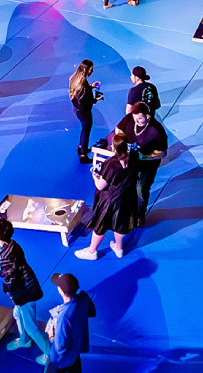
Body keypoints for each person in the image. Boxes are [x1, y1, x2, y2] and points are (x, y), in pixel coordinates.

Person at [78, 124, 143, 260]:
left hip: (110, 201)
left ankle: (92, 251)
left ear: (114, 148)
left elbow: (101, 186)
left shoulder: (111, 165)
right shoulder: (134, 157)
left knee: (100, 226)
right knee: (119, 225)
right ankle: (119, 248)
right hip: (127, 198)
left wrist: (95, 176)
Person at [0, 215, 50, 354]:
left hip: (24, 292)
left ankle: (49, 353)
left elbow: (12, 278)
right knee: (17, 314)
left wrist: (10, 292)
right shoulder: (13, 244)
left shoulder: (5, 256)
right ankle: (24, 340)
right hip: (26, 286)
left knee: (30, 326)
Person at [121, 100, 168, 213]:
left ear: (147, 115)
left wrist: (146, 156)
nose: (137, 121)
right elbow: (119, 128)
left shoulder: (156, 130)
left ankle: (139, 215)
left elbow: (163, 153)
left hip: (147, 167)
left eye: (140, 119)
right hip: (130, 162)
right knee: (127, 187)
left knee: (141, 191)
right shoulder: (129, 119)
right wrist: (120, 141)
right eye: (135, 118)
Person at [68, 59, 101, 163]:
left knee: (84, 128)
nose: (92, 71)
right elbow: (83, 103)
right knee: (86, 130)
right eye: (91, 69)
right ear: (86, 70)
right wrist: (95, 100)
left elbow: (80, 96)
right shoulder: (82, 85)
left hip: (77, 110)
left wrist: (90, 87)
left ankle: (81, 146)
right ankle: (83, 155)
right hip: (84, 112)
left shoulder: (74, 79)